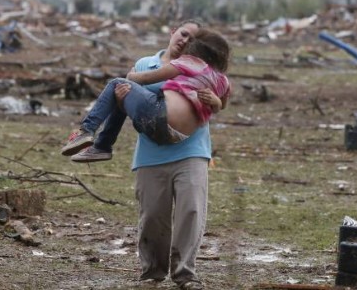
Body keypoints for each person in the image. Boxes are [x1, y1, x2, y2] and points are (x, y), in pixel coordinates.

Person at [73, 19, 225, 290]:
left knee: (191, 211)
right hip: (151, 154)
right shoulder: (146, 64)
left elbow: (222, 97)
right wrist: (122, 97)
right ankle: (152, 273)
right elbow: (131, 99)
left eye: (192, 38)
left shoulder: (204, 68)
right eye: (182, 33)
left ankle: (186, 274)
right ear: (172, 32)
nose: (184, 40)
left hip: (192, 151)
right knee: (153, 216)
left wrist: (217, 102)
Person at [60, 28, 230, 162]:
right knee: (124, 93)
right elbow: (222, 105)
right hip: (178, 136)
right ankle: (101, 146)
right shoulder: (223, 80)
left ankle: (87, 132)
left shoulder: (190, 62)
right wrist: (216, 102)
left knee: (117, 84)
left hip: (160, 117)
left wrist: (131, 76)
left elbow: (148, 78)